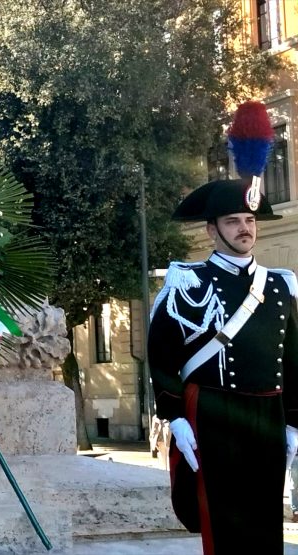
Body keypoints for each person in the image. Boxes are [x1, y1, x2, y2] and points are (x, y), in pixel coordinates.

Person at [148, 176, 298, 553]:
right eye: (233, 221)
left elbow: (292, 357)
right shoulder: (187, 283)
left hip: (268, 412)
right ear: (212, 229)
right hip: (213, 412)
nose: (244, 228)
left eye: (249, 220)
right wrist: (175, 414)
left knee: (265, 518)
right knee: (223, 518)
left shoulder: (280, 286)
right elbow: (163, 353)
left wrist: (294, 421)